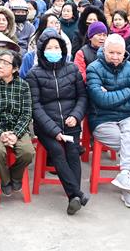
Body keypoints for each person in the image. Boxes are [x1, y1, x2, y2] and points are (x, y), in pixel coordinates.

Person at [27, 30, 89, 214]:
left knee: (72, 151)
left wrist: (76, 116)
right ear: (42, 51)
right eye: (49, 48)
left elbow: (82, 97)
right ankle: (75, 194)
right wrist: (54, 130)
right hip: (47, 126)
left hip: (70, 122)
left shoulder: (72, 69)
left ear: (62, 49)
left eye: (56, 47)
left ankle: (74, 196)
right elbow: (35, 106)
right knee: (56, 150)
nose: (53, 50)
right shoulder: (34, 74)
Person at [86, 34, 130, 208]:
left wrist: (111, 99)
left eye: (119, 53)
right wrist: (127, 92)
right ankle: (129, 189)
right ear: (104, 51)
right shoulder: (94, 68)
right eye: (111, 52)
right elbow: (100, 100)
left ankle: (125, 179)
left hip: (127, 118)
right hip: (102, 120)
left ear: (124, 52)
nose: (115, 57)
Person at [0, 48, 34, 197]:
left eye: (5, 63)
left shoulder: (23, 86)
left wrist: (16, 134)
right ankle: (5, 180)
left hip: (17, 129)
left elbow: (26, 113)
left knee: (28, 152)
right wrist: (1, 134)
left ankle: (15, 176)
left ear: (15, 68)